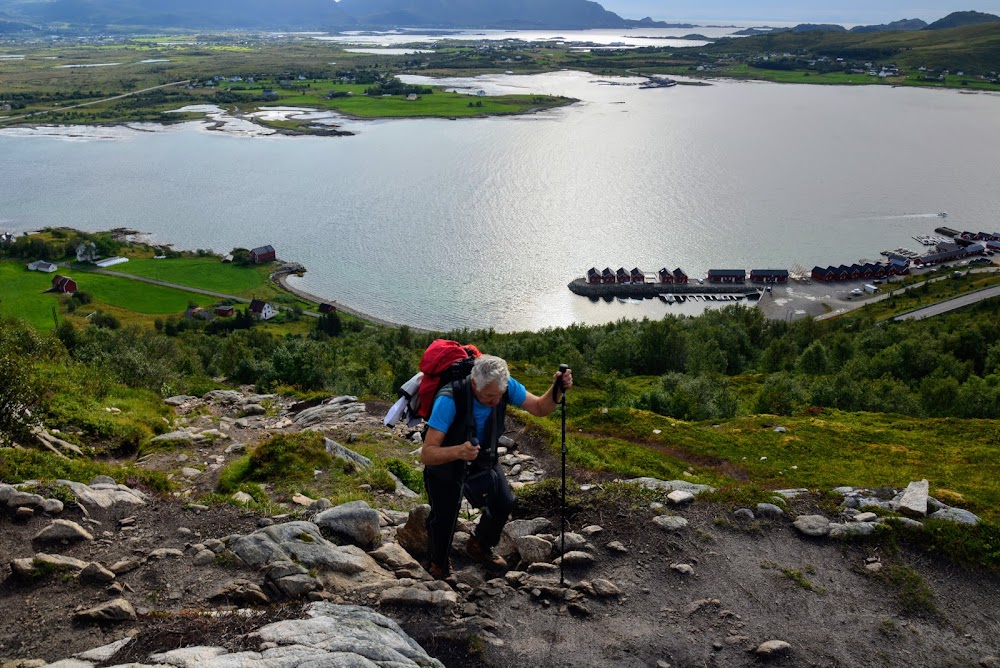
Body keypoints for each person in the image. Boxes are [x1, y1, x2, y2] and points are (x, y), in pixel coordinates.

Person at [420, 355, 572, 579]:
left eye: (500, 395)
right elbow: (427, 454)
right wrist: (459, 452)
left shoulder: (505, 386)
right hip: (447, 461)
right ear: (474, 384)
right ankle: (438, 564)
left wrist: (556, 388)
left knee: (503, 502)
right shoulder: (450, 399)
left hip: (483, 456)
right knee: (445, 517)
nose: (496, 401)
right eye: (489, 396)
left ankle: (479, 545)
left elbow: (540, 407)